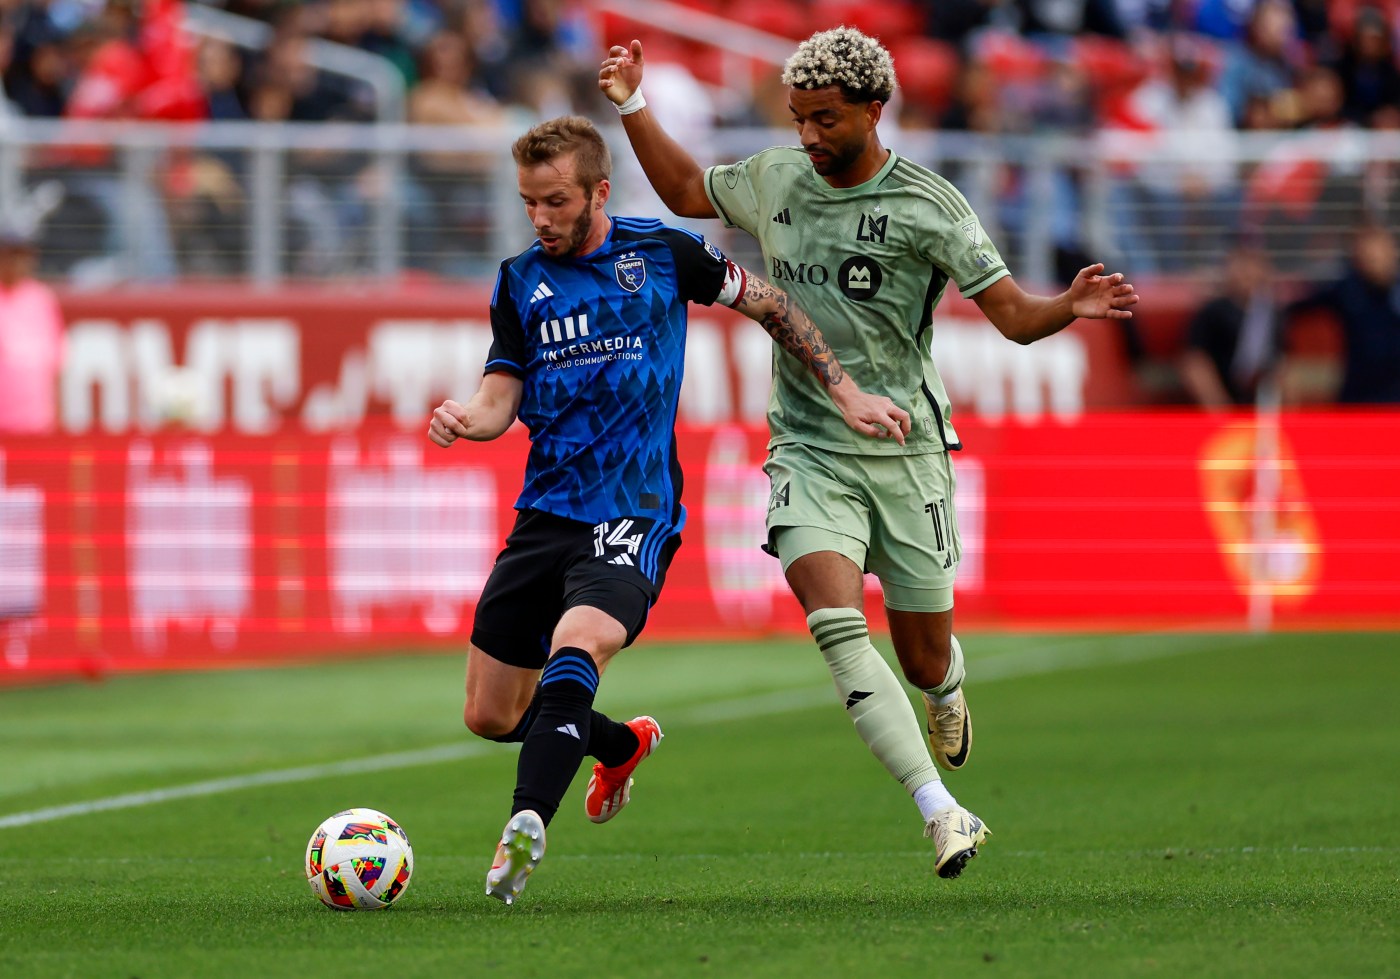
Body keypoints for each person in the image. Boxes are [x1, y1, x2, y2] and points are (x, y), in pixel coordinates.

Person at [600, 26, 1138, 879]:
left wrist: (1067, 304)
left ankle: (946, 688)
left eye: (825, 120)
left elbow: (1013, 318)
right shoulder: (775, 177)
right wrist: (631, 101)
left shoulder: (930, 205)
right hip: (808, 444)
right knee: (835, 623)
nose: (808, 137)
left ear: (873, 109)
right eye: (797, 118)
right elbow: (680, 187)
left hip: (908, 451)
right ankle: (940, 810)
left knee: (923, 653)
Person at [426, 115, 909, 906]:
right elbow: (499, 396)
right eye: (529, 204)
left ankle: (524, 828)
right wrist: (466, 419)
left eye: (554, 202)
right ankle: (619, 744)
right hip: (545, 510)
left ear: (598, 192)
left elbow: (771, 303)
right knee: (488, 712)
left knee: (578, 643)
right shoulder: (519, 282)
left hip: (634, 509)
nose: (540, 219)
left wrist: (845, 388)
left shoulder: (661, 253)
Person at [1285, 223, 1400, 404]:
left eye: (1378, 252)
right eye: (1367, 253)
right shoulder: (1347, 289)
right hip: (1358, 393)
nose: (1373, 258)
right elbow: (1299, 307)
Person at [1180, 242, 1281, 410]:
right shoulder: (1212, 311)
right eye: (1240, 265)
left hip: (1260, 408)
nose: (1246, 272)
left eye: (1253, 265)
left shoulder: (1272, 313)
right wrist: (1220, 409)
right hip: (1223, 406)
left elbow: (1279, 365)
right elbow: (1195, 364)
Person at [0, 225, 66, 434]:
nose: (16, 263)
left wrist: (56, 421)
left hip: (38, 427)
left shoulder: (41, 299)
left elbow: (55, 367)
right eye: (9, 255)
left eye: (22, 255)